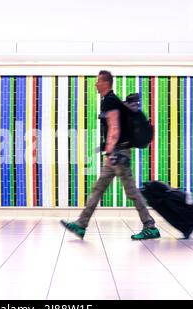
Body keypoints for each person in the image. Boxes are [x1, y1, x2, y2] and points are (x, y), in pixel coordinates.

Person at [60, 70, 160, 240]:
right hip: (117, 153)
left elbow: (114, 127)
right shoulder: (110, 100)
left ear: (105, 83)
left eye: (98, 81)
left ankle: (150, 227)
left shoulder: (110, 101)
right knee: (99, 188)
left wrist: (110, 150)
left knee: (131, 191)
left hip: (118, 154)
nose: (95, 84)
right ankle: (81, 225)